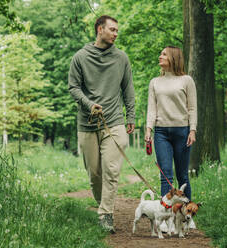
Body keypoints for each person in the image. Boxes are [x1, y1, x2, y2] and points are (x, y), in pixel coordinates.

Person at [68, 15, 135, 233]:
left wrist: (131, 117)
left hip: (114, 122)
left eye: (117, 30)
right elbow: (73, 88)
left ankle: (106, 214)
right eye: (112, 29)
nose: (116, 33)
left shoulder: (122, 58)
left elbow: (128, 90)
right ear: (100, 30)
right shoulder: (80, 57)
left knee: (111, 170)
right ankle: (102, 205)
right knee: (95, 174)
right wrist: (89, 104)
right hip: (87, 124)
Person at [145, 46, 197, 201]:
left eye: (164, 54)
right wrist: (148, 129)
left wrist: (192, 130)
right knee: (165, 176)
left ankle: (187, 212)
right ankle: (166, 217)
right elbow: (151, 108)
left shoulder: (186, 80)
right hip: (161, 133)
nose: (160, 56)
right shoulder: (154, 82)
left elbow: (192, 107)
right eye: (160, 53)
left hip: (182, 132)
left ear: (173, 58)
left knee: (182, 176)